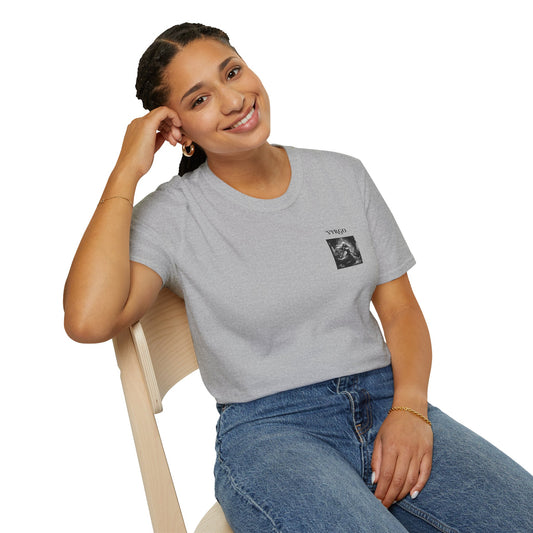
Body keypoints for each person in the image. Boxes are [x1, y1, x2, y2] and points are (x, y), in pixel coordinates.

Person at [63, 22, 533, 532]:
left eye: (232, 73)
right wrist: (126, 171)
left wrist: (411, 409)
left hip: (387, 400)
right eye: (200, 99)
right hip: (270, 433)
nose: (233, 101)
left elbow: (400, 310)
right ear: (179, 132)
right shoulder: (173, 215)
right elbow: (88, 321)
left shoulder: (344, 176)